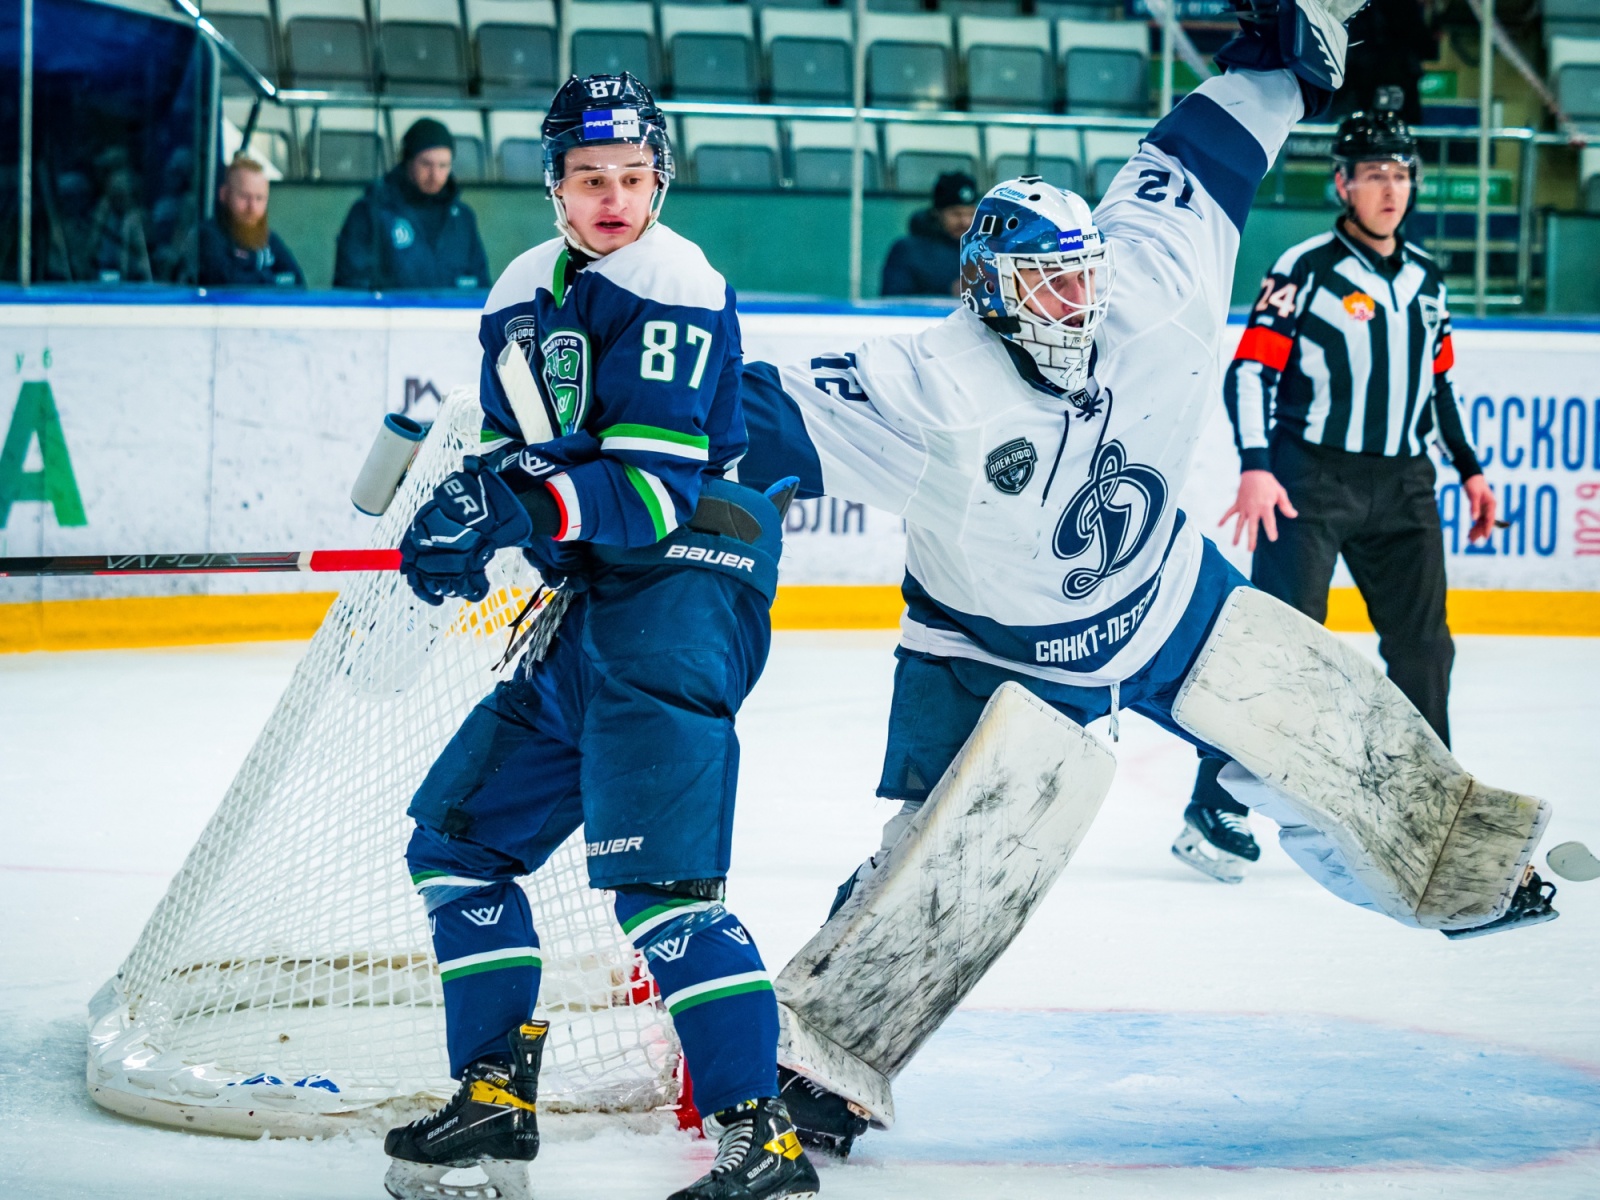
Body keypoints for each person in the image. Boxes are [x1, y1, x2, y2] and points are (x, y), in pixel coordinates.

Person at [730, 0, 1556, 1153]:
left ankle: (1452, 866)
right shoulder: (932, 390)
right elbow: (744, 417)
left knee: (1330, 729)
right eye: (1047, 285)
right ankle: (814, 1056)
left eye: (1083, 276)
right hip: (994, 653)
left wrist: (1284, 53)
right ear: (987, 293)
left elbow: (1202, 151)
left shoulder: (1149, 283)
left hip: (1170, 597)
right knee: (949, 864)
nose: (1078, 301)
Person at [380, 74, 819, 1200]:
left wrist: (520, 509)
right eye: (589, 179)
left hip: (683, 589)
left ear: (659, 180)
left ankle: (757, 1136)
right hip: (589, 601)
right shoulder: (521, 288)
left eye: (633, 177)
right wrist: (466, 519)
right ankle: (493, 1095)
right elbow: (517, 454)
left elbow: (657, 491)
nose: (613, 196)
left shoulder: (673, 280)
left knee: (662, 890)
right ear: (554, 185)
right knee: (458, 844)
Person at [1172, 98, 1497, 885]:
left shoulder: (1426, 278)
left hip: (1404, 487)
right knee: (1280, 649)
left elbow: (1439, 383)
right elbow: (1252, 369)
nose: (1393, 188)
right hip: (1307, 481)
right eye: (1375, 174)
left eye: (1402, 174)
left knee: (1425, 648)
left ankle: (1425, 807)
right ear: (1344, 184)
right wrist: (1256, 465)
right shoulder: (1306, 270)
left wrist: (1469, 468)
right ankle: (1211, 805)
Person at [333, 117, 490, 291]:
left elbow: (480, 286)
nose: (435, 175)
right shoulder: (372, 210)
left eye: (443, 165)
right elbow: (351, 285)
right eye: (426, 164)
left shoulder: (463, 218)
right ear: (408, 161)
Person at [197, 154, 305, 288]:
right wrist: (269, 279)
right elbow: (225, 282)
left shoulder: (268, 238)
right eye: (244, 197)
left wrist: (257, 279)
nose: (252, 207)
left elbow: (297, 280)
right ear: (224, 195)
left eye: (259, 198)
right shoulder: (208, 236)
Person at [879, 171, 978, 298]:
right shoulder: (908, 250)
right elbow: (893, 301)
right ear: (937, 213)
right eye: (956, 214)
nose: (965, 221)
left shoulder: (984, 249)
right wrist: (948, 292)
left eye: (971, 214)